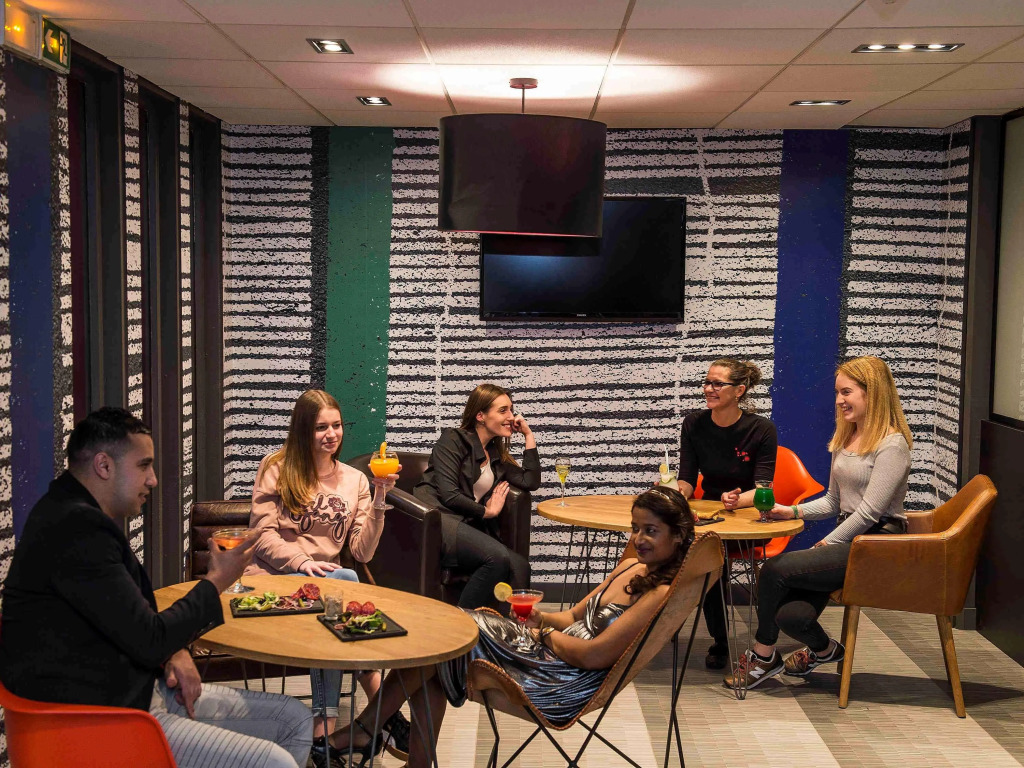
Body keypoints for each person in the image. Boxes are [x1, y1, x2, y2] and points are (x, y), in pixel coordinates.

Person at [0, 407, 311, 768]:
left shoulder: (73, 513)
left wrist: (174, 650)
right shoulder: (76, 530)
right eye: (143, 466)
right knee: (275, 762)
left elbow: (131, 620)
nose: (153, 480)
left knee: (295, 720)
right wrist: (216, 581)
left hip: (134, 692)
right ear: (104, 466)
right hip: (99, 723)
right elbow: (149, 640)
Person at [323, 487, 696, 767]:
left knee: (446, 638)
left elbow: (594, 655)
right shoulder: (630, 567)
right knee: (439, 648)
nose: (638, 539)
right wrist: (541, 619)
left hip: (562, 679)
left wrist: (543, 635)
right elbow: (572, 617)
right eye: (635, 528)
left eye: (650, 531)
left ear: (678, 535)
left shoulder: (659, 594)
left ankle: (366, 730)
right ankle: (388, 744)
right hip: (547, 650)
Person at [725, 356, 912, 689]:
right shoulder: (846, 437)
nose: (839, 401)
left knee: (773, 569)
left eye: (846, 392)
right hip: (852, 539)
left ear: (872, 392)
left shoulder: (892, 445)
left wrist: (829, 542)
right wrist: (791, 511)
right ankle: (826, 651)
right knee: (792, 617)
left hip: (879, 543)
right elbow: (833, 502)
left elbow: (870, 512)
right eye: (837, 393)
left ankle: (763, 656)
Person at [246, 389, 408, 759]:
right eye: (321, 427)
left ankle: (323, 738)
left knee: (338, 594)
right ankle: (385, 715)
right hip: (277, 583)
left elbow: (362, 551)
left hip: (328, 593)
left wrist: (380, 497)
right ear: (303, 429)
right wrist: (302, 562)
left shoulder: (355, 480)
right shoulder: (277, 468)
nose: (331, 434)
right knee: (344, 587)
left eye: (336, 425)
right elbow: (261, 536)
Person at [677, 358, 777, 669]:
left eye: (717, 384)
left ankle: (721, 642)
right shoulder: (693, 424)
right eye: (707, 382)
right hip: (709, 514)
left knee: (710, 556)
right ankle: (663, 624)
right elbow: (687, 480)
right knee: (688, 547)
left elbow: (764, 489)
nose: (708, 388)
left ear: (739, 391)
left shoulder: (761, 429)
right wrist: (674, 491)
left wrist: (737, 500)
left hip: (748, 516)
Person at [414, 383, 541, 611]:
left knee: (521, 566)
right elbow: (449, 495)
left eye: (511, 410)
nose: (511, 417)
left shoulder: (494, 455)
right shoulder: (453, 439)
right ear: (480, 416)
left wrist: (528, 436)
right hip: (438, 520)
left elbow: (530, 481)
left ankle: (511, 629)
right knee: (497, 558)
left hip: (465, 525)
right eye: (503, 411)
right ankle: (461, 624)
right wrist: (487, 512)